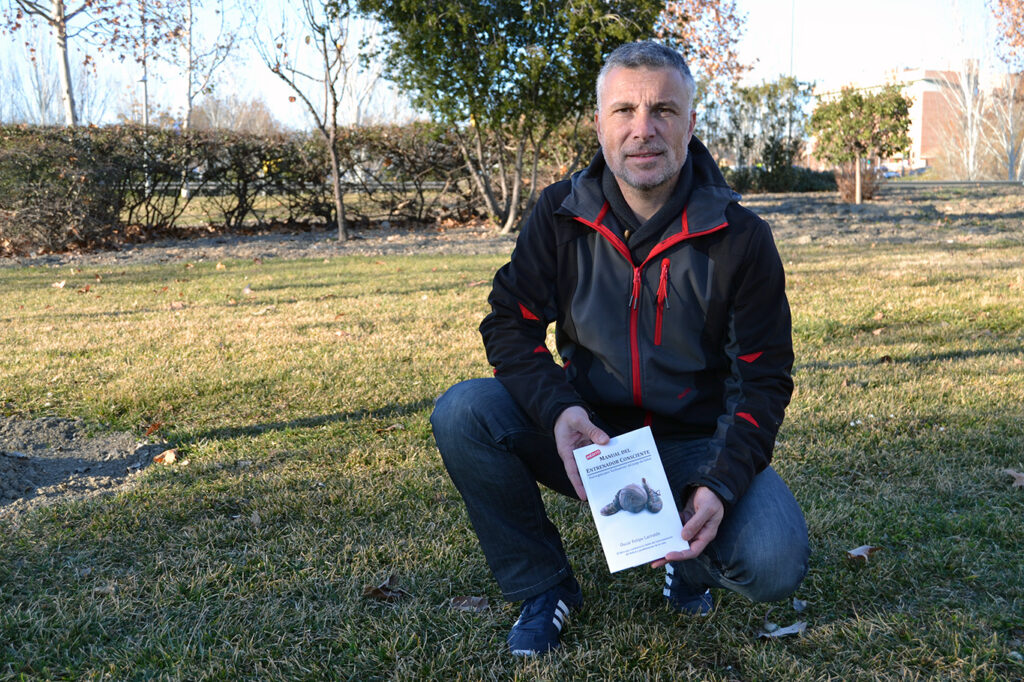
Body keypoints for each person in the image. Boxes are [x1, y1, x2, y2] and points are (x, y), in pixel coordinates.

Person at [430, 40, 809, 657]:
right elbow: (509, 323)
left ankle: (685, 562)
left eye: (663, 109)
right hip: (592, 438)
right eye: (624, 110)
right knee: (464, 412)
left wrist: (720, 481)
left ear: (691, 121)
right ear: (599, 123)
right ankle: (545, 586)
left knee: (772, 561)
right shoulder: (558, 214)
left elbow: (762, 380)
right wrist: (559, 411)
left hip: (693, 446)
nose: (643, 129)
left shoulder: (742, 239)